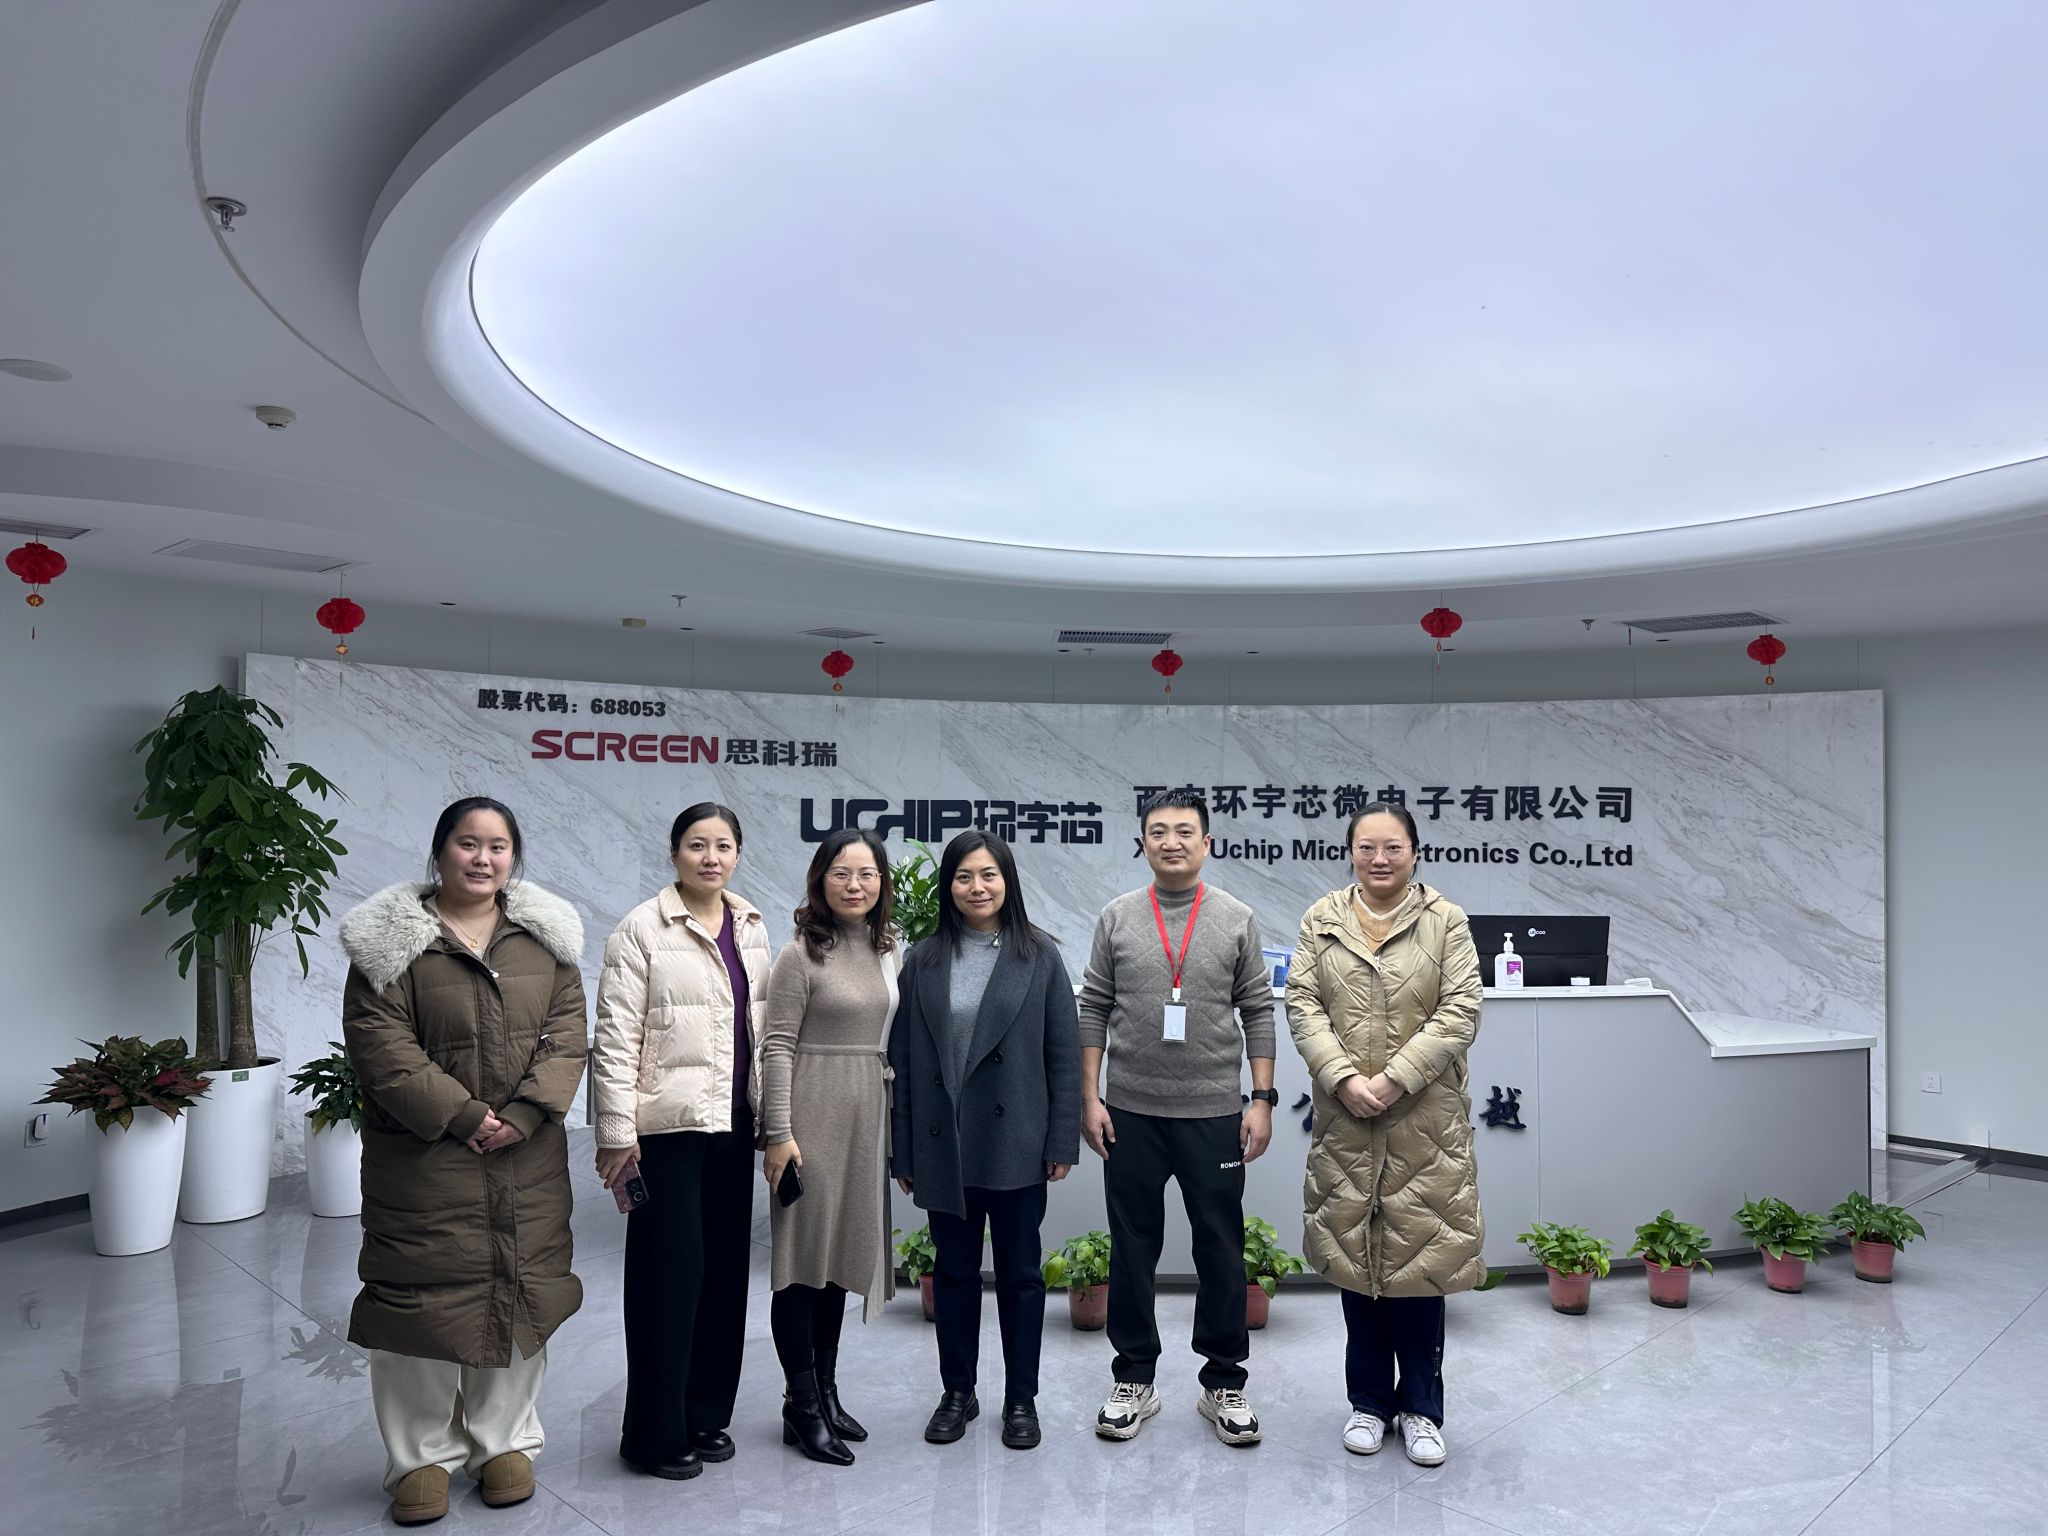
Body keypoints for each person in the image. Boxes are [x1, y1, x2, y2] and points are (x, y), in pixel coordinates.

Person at [338, 797, 589, 1527]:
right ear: (440, 851)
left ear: (514, 857)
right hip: (425, 1158)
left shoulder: (545, 941)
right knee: (420, 1298)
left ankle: (503, 1441)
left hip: (526, 1155)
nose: (483, 859)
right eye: (467, 843)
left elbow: (567, 1034)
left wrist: (524, 1114)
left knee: (520, 1287)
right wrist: (465, 1116)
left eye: (498, 846)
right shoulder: (390, 945)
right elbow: (382, 1047)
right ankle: (419, 1456)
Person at [1286, 801, 1484, 1469]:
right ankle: (1368, 1403)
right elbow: (1302, 1003)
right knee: (1358, 1261)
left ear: (1414, 853)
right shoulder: (1323, 918)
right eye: (1366, 847)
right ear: (1350, 853)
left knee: (1422, 1265)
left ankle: (1422, 1409)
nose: (1379, 858)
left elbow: (1462, 1009)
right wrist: (1342, 1077)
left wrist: (1396, 1078)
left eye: (1392, 847)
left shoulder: (1445, 921)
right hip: (1346, 1121)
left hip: (1424, 1124)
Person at [1078, 789, 1278, 1447]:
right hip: (1130, 1112)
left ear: (1206, 842)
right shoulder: (1116, 916)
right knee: (1132, 1247)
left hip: (1213, 1112)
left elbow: (1258, 1009)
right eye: (1158, 831)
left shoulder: (1236, 917)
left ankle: (1223, 1383)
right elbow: (1093, 1007)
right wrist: (1089, 1097)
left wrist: (1261, 1099)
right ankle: (1134, 1378)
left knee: (1219, 1247)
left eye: (1184, 831)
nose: (1171, 842)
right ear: (1144, 843)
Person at [592, 802, 771, 1480]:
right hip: (665, 1133)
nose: (710, 857)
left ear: (737, 855)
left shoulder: (751, 925)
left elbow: (762, 1030)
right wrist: (616, 1132)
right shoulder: (641, 928)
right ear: (674, 854)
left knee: (724, 1276)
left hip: (732, 1127)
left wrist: (770, 1118)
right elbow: (614, 1038)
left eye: (723, 845)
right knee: (668, 1280)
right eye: (697, 844)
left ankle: (705, 1415)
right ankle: (652, 1434)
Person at [889, 832, 1081, 1451]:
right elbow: (904, 1063)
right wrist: (904, 1150)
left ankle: (1021, 1398)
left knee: (1022, 1276)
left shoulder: (1040, 955)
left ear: (1008, 882)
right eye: (965, 876)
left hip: (1017, 1139)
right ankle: (958, 1392)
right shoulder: (923, 959)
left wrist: (1061, 1139)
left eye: (989, 875)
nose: (977, 888)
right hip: (945, 1142)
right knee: (953, 1274)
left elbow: (1063, 1055)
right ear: (948, 885)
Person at [758, 828, 901, 1465]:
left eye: (866, 874)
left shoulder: (886, 947)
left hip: (866, 1114)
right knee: (800, 1266)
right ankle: (801, 1403)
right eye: (841, 873)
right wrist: (779, 1133)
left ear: (881, 883)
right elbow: (777, 1046)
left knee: (840, 1259)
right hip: (810, 1116)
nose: (854, 885)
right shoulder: (800, 953)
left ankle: (827, 1390)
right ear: (820, 881)